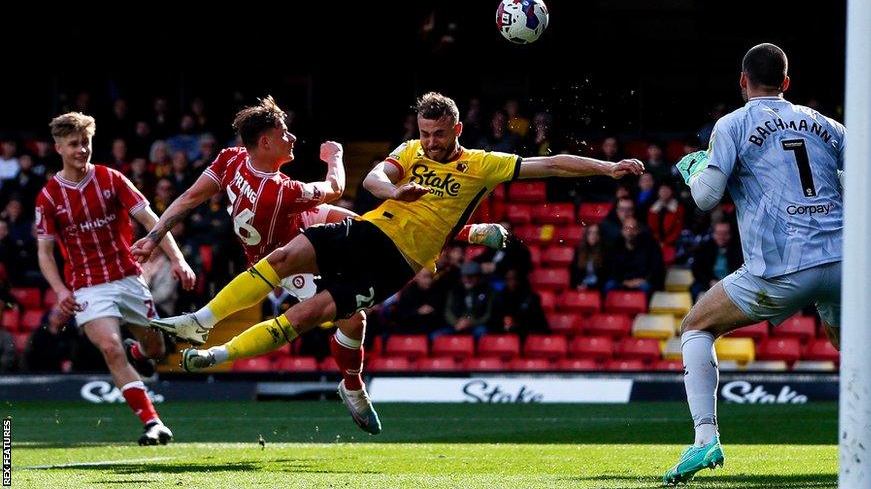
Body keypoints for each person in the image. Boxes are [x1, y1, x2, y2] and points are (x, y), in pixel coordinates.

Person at [155, 91, 642, 380]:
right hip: (367, 231)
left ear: (456, 127)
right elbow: (371, 181)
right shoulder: (410, 150)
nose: (429, 141)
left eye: (437, 133)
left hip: (398, 263)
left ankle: (217, 355)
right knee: (285, 257)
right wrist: (396, 189)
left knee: (308, 314)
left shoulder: (483, 166)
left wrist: (607, 166)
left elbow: (552, 164)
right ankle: (200, 321)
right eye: (424, 132)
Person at [135, 96, 513, 434]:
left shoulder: (231, 159)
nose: (293, 138)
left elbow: (187, 198)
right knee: (350, 317)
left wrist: (154, 235)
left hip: (300, 227)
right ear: (265, 141)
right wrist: (335, 158)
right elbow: (334, 186)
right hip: (289, 259)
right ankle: (344, 382)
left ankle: (469, 232)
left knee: (372, 220)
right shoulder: (282, 190)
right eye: (284, 132)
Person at [662, 43, 871, 484]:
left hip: (781, 268)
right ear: (787, 84)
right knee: (850, 346)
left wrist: (695, 169)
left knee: (696, 326)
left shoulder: (732, 125)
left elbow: (706, 198)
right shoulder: (827, 125)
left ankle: (704, 440)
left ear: (742, 81)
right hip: (844, 263)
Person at [35, 112, 196, 446]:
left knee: (156, 349)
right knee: (110, 348)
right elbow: (45, 253)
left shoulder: (112, 179)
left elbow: (153, 220)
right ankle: (153, 422)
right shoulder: (49, 197)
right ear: (59, 148)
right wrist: (60, 289)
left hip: (127, 278)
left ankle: (139, 352)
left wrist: (178, 259)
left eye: (86, 143)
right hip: (87, 286)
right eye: (74, 144)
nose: (81, 150)